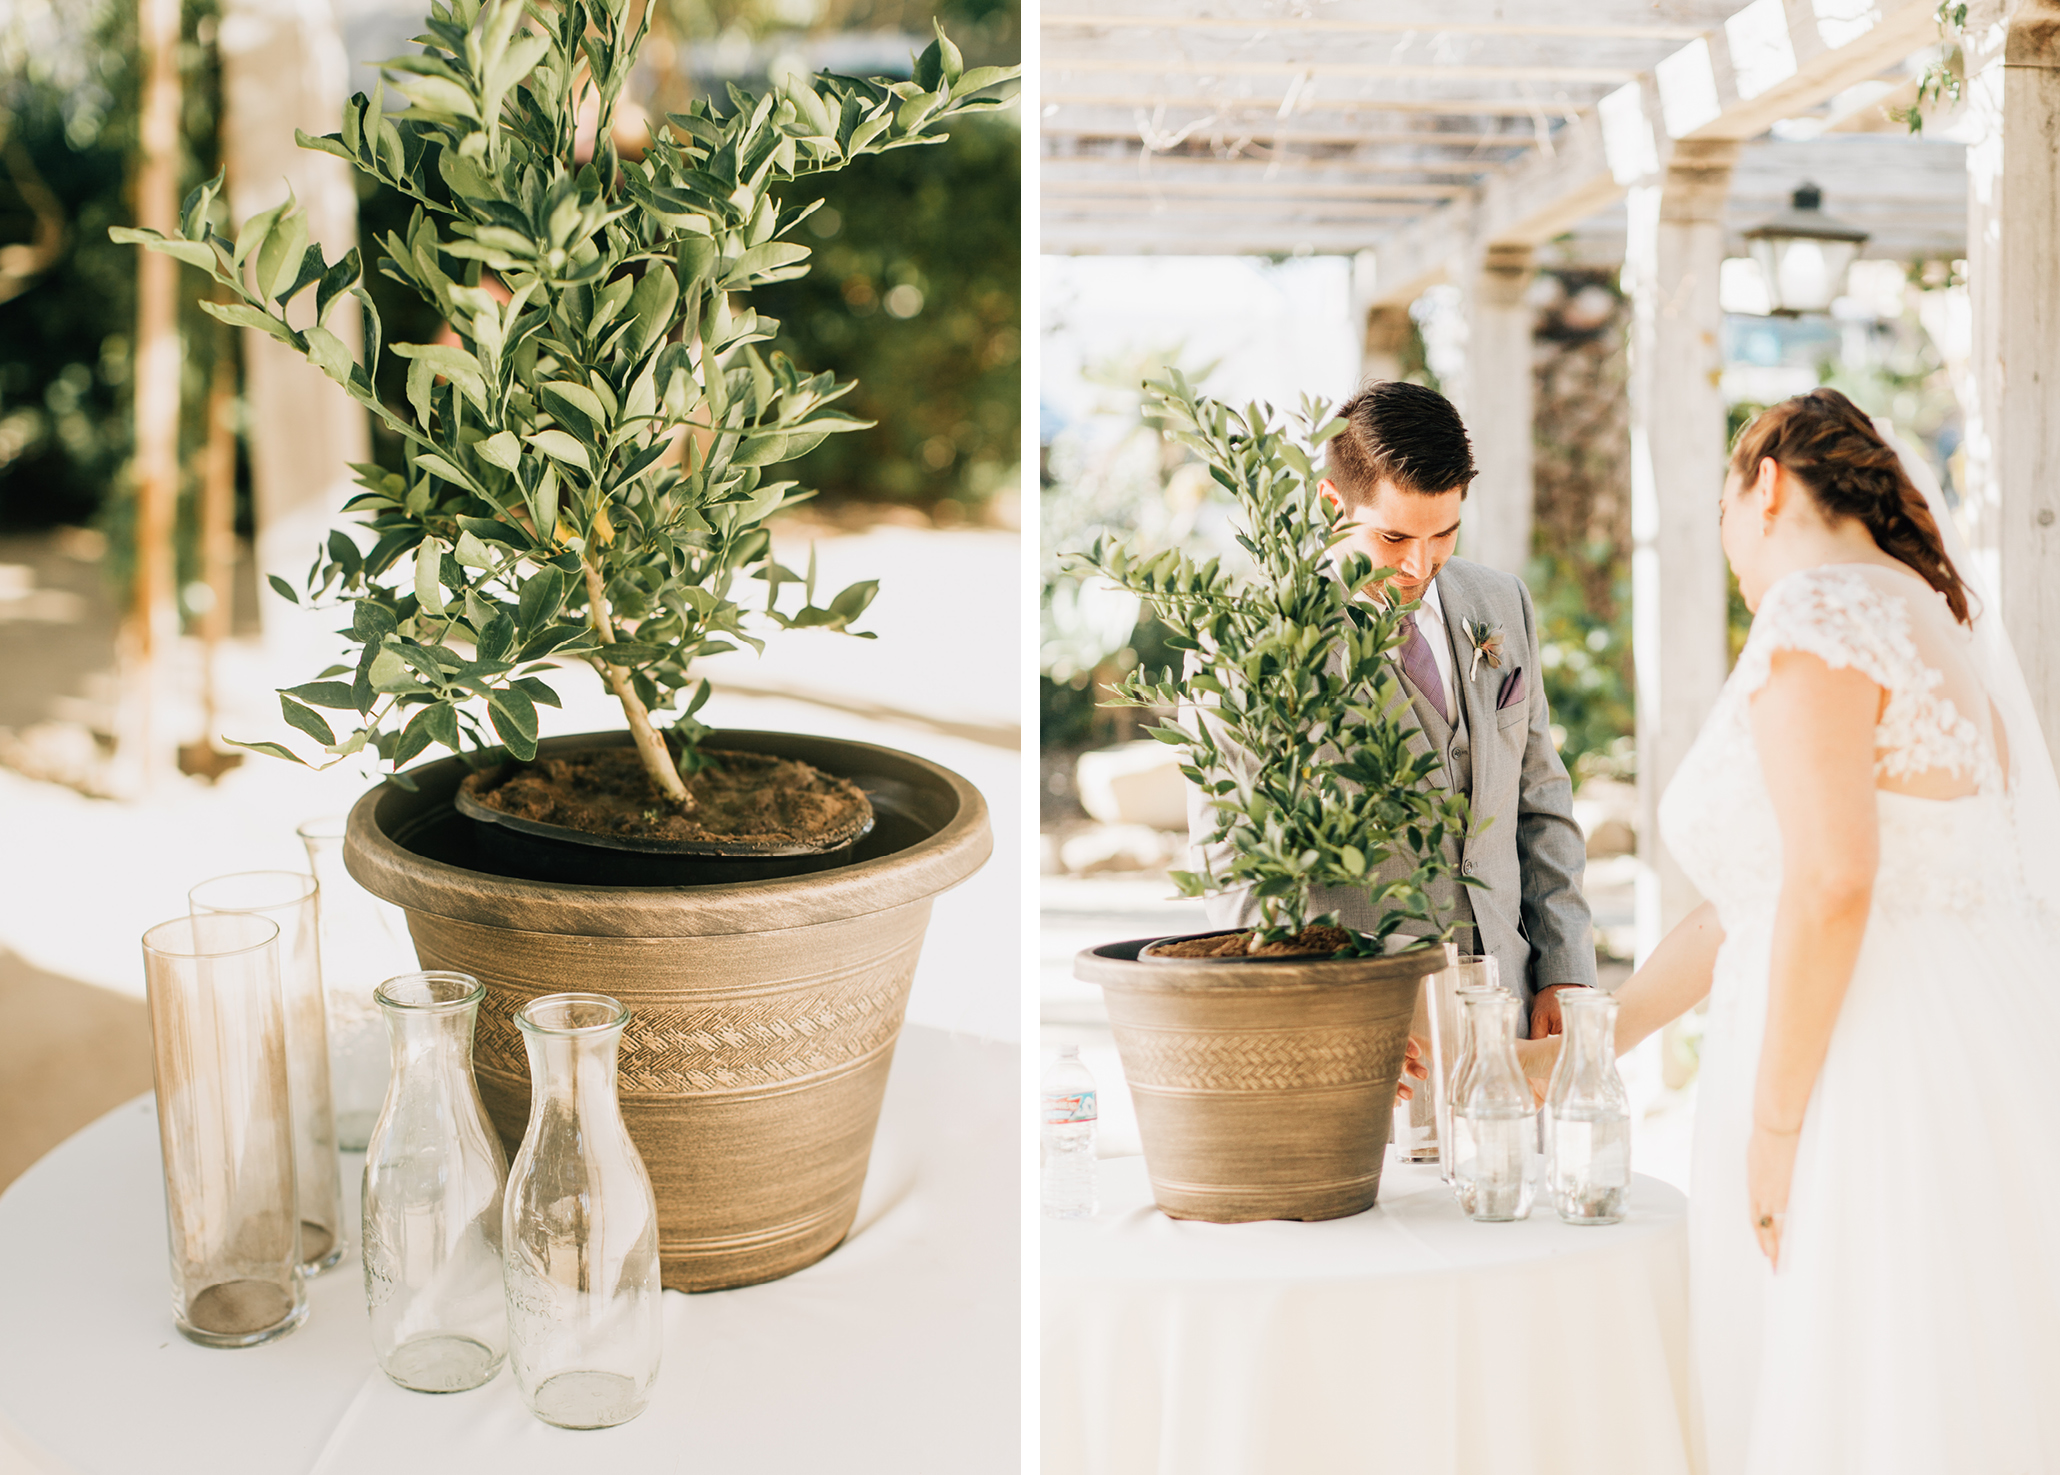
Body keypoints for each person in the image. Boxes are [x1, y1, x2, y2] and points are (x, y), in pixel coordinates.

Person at [1522, 388, 2060, 1474]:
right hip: (1970, 1045)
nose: (1730, 558)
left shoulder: (1817, 612)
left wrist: (1773, 1133)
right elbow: (1748, 903)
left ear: (1762, 484)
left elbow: (1829, 882)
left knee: (1858, 1388)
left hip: (1863, 1070)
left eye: (1724, 519)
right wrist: (1582, 1048)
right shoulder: (1932, 617)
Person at [1188, 379, 1597, 1038]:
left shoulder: (1502, 603)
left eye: (1445, 534)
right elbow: (1235, 864)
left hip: (1515, 1011)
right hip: (1361, 1019)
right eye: (1393, 537)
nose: (1420, 563)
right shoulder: (1249, 643)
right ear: (1331, 506)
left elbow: (1540, 795)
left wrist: (1565, 966)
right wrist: (1313, 1024)